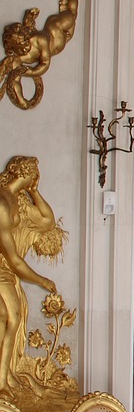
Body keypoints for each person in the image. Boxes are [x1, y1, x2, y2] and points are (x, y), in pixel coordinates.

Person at [0, 156, 59, 394]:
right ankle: (2, 381)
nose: (37, 177)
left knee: (7, 317)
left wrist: (35, 191)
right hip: (3, 271)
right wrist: (42, 280)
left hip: (5, 271)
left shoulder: (17, 200)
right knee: (11, 318)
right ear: (25, 171)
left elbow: (48, 221)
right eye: (35, 173)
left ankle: (5, 377)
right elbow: (14, 260)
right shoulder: (3, 204)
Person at [2, 0, 84, 109]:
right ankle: (63, 5)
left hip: (56, 28)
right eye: (17, 48)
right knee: (69, 35)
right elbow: (15, 82)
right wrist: (23, 101)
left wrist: (31, 72)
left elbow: (45, 64)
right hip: (61, 43)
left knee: (71, 15)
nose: (22, 49)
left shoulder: (39, 39)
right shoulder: (18, 59)